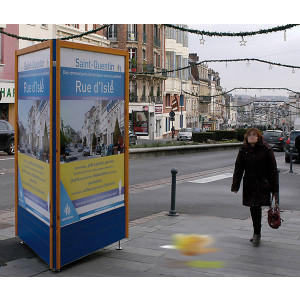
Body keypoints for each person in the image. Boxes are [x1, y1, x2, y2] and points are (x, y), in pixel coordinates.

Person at [231, 128, 279, 246]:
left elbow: (273, 170)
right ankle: (257, 232)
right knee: (254, 207)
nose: (251, 137)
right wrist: (235, 185)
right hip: (250, 183)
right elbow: (238, 168)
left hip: (263, 182)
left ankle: (257, 232)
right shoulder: (243, 150)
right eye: (249, 135)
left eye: (254, 135)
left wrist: (274, 189)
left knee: (257, 206)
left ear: (258, 137)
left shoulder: (266, 149)